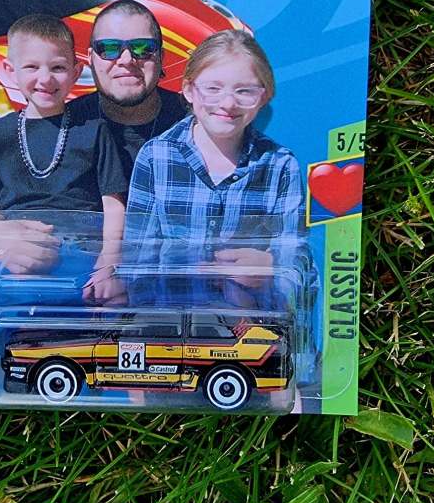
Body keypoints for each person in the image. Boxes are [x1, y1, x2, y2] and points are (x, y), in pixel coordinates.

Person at [0, 0, 187, 274]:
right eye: (109, 48)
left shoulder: (196, 123)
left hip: (178, 280)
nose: (126, 60)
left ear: (161, 57)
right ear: (90, 59)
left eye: (142, 48)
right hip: (82, 283)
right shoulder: (62, 123)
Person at [0, 14, 126, 305]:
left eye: (58, 67)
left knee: (96, 318)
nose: (45, 79)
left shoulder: (95, 130)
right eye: (31, 67)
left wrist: (108, 260)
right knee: (16, 320)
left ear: (76, 72)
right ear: (10, 70)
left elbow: (113, 204)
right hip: (17, 263)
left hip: (83, 257)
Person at [123, 31, 313, 311]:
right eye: (213, 88)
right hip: (169, 322)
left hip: (251, 326)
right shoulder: (156, 156)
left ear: (264, 97)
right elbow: (137, 256)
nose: (227, 104)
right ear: (189, 90)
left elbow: (298, 255)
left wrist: (272, 268)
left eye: (244, 91)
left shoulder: (280, 166)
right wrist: (139, 316)